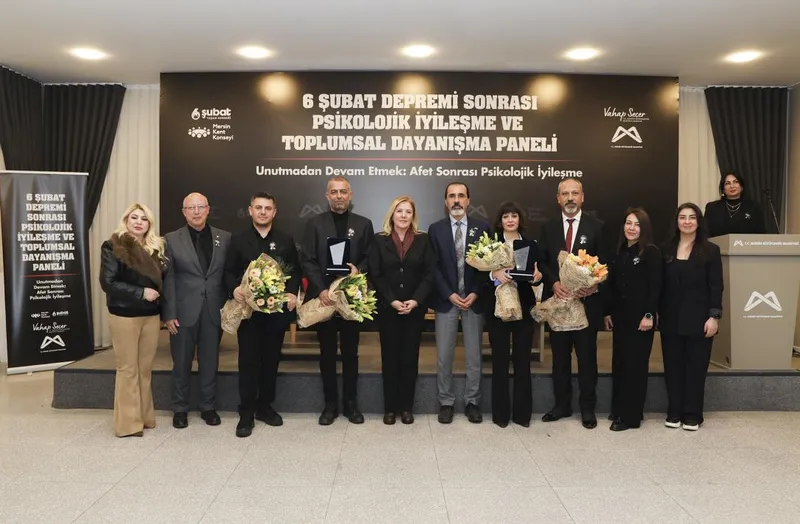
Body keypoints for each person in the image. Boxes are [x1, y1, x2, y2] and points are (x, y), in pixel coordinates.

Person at [225, 192, 301, 438]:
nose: (263, 212)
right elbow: (228, 272)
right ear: (250, 210)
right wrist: (234, 289)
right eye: (258, 207)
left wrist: (292, 294)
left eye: (268, 208)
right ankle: (246, 412)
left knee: (271, 361)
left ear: (274, 212)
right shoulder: (238, 240)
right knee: (248, 362)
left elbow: (295, 272)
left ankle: (265, 407)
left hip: (275, 313)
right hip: (248, 314)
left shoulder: (285, 240)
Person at [301, 176, 374, 425]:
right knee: (327, 353)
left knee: (351, 352)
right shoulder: (314, 223)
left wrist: (358, 271)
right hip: (325, 300)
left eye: (343, 192)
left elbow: (370, 256)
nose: (339, 196)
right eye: (334, 192)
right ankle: (330, 404)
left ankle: (351, 404)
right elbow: (307, 260)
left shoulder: (364, 224)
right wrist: (321, 290)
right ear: (327, 195)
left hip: (351, 299)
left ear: (350, 195)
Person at [538, 178, 609, 429]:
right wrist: (554, 283)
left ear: (582, 197)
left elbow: (605, 263)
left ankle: (587, 408)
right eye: (565, 194)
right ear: (558, 198)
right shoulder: (547, 228)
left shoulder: (597, 227)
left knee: (587, 358)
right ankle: (561, 405)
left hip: (587, 305)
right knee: (560, 358)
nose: (570, 198)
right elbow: (542, 261)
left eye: (575, 193)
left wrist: (594, 285)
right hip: (559, 303)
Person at [162, 192, 231, 429]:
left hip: (213, 310)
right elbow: (168, 279)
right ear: (184, 212)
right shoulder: (170, 239)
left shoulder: (225, 237)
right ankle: (180, 408)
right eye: (191, 207)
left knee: (210, 362)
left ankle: (207, 407)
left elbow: (228, 274)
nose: (196, 211)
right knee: (181, 363)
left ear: (208, 209)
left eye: (201, 206)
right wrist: (169, 313)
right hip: (182, 312)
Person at [99, 203, 168, 438]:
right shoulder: (113, 246)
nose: (139, 222)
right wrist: (141, 293)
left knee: (145, 370)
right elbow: (108, 282)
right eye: (134, 218)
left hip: (150, 316)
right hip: (124, 315)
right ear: (126, 220)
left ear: (149, 224)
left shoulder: (155, 249)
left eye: (144, 219)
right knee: (128, 369)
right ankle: (128, 425)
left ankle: (145, 417)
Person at [368, 196, 436, 425]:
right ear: (392, 214)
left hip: (414, 310)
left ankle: (406, 408)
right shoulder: (379, 239)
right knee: (390, 358)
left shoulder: (423, 239)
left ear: (413, 216)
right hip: (388, 309)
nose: (404, 215)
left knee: (409, 359)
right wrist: (392, 300)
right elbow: (376, 274)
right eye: (399, 211)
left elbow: (429, 273)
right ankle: (390, 409)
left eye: (408, 211)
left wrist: (416, 300)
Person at [428, 182, 490, 424]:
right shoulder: (435, 230)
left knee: (474, 356)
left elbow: (488, 266)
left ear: (468, 200)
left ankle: (472, 401)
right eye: (452, 196)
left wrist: (475, 292)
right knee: (444, 356)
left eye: (461, 196)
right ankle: (446, 402)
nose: (456, 200)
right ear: (446, 202)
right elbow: (432, 267)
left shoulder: (482, 228)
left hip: (474, 300)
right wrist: (449, 294)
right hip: (447, 301)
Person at [659, 203, 723, 431]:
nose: (687, 221)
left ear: (699, 221)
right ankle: (674, 411)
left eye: (692, 217)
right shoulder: (665, 249)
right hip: (670, 319)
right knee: (673, 367)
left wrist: (714, 316)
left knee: (696, 368)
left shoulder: (711, 250)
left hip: (699, 320)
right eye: (682, 217)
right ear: (676, 221)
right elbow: (659, 285)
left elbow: (716, 286)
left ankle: (693, 414)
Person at [603, 208, 661, 431]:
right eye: (628, 223)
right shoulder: (620, 252)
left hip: (641, 319)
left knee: (635, 367)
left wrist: (649, 315)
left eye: (637, 224)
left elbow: (655, 287)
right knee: (620, 363)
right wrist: (608, 312)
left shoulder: (651, 252)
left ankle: (631, 417)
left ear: (644, 228)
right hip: (621, 318)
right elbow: (613, 287)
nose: (632, 228)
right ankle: (619, 409)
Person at [485, 201, 542, 428]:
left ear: (520, 219)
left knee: (522, 360)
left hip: (523, 308)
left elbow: (537, 273)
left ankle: (522, 414)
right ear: (500, 221)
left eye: (514, 216)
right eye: (506, 216)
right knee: (499, 360)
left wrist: (537, 278)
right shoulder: (490, 245)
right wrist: (494, 274)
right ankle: (500, 415)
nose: (510, 220)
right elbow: (479, 275)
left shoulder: (530, 244)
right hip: (498, 309)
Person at [704, 172, 766, 237]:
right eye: (727, 183)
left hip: (747, 243)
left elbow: (761, 234)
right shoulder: (712, 208)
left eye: (735, 182)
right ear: (723, 189)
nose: (732, 186)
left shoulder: (754, 207)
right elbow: (705, 233)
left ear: (741, 187)